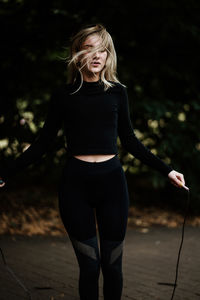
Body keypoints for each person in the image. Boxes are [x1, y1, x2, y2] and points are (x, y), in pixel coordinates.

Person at [0, 24, 186, 300]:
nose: (97, 55)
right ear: (77, 54)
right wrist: (5, 173)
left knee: (112, 265)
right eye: (90, 48)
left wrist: (167, 170)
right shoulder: (63, 96)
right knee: (89, 266)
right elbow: (43, 143)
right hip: (75, 186)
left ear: (108, 55)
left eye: (103, 50)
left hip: (112, 185)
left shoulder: (117, 93)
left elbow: (131, 141)